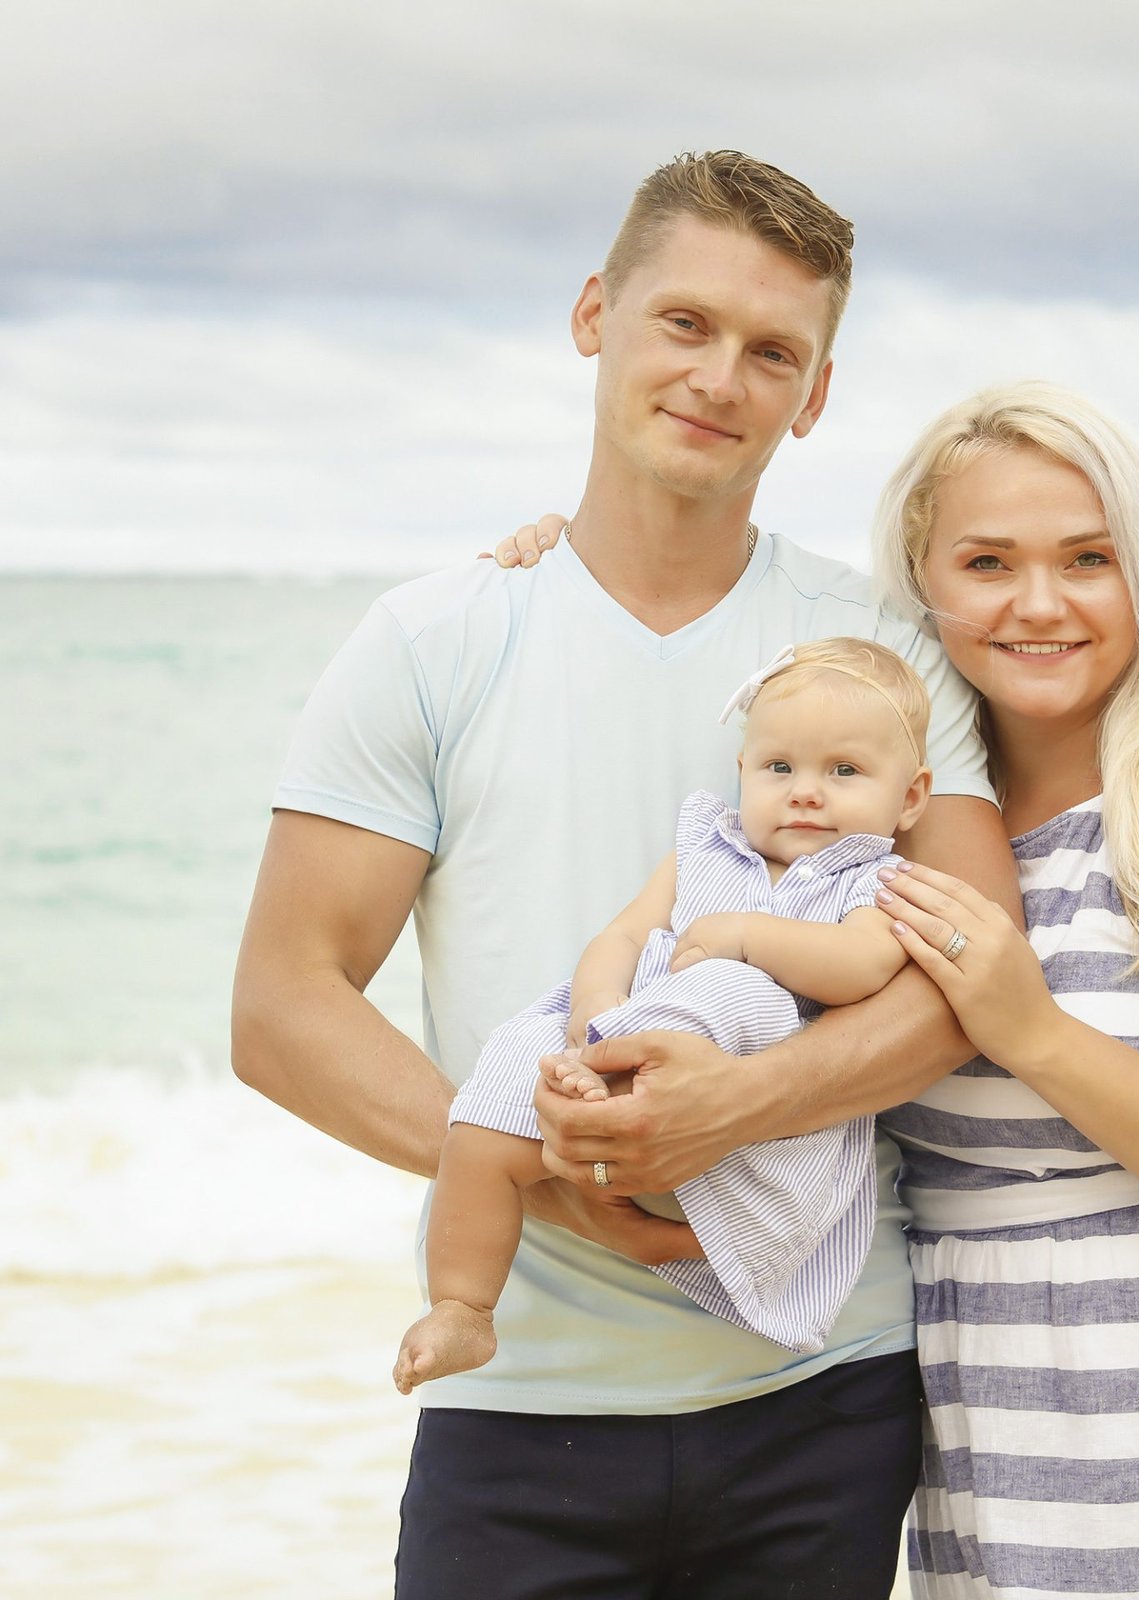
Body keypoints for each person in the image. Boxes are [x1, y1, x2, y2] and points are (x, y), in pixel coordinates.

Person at [502, 380, 1139, 1597]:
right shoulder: (865, 825)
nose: (1039, 603)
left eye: (1087, 559)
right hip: (988, 1429)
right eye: (988, 561)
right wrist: (547, 563)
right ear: (923, 579)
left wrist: (1033, 1032)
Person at [233, 150, 1020, 1600]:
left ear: (817, 393)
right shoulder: (437, 639)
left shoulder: (881, 657)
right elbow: (285, 1005)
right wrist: (557, 1173)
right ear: (596, 313)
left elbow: (973, 985)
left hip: (824, 1389)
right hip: (518, 1402)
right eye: (685, 324)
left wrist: (733, 1108)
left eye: (773, 350)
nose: (722, 377)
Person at [394, 637, 935, 1391]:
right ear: (742, 772)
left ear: (910, 797)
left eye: (844, 771)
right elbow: (622, 934)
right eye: (780, 767)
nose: (806, 791)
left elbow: (863, 967)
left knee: (730, 985)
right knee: (507, 1067)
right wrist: (593, 1009)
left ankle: (616, 1081)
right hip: (615, 1047)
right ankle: (462, 1303)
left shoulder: (877, 882)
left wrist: (747, 939)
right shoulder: (704, 850)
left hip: (743, 1109)